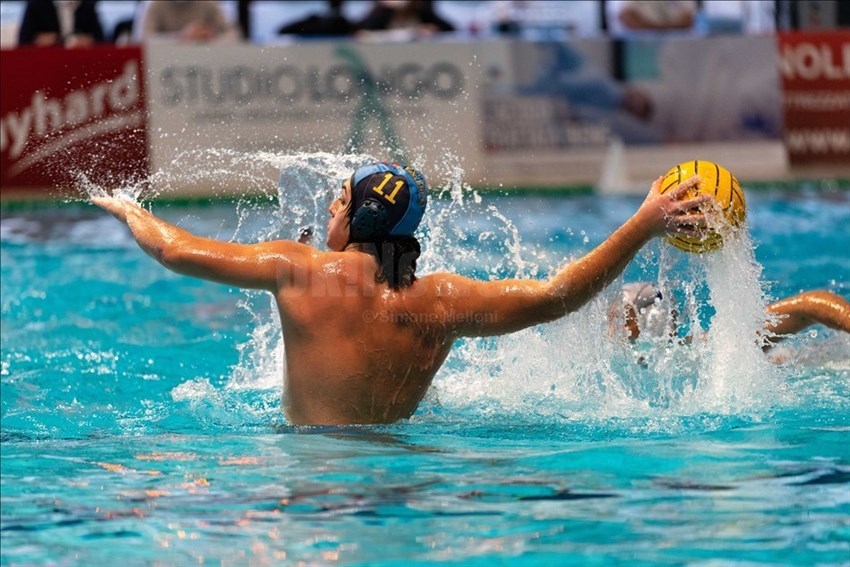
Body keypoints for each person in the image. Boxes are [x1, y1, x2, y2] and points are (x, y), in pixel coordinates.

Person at [93, 163, 709, 426]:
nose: (329, 211)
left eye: (338, 202)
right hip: (403, 474)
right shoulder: (439, 300)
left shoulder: (297, 267)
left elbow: (174, 250)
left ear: (357, 219)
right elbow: (556, 296)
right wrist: (644, 222)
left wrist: (128, 209)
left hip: (307, 478)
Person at [611, 282, 850, 350]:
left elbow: (806, 306)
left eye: (615, 318)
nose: (606, 326)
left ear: (634, 326)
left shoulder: (702, 353)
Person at [133, 0, 240, 43]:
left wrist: (211, 37)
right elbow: (141, 40)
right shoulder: (152, 4)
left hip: (204, 61)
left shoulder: (209, 3)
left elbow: (234, 35)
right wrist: (181, 37)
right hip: (164, 63)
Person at [17, 0, 105, 48]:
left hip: (79, 60)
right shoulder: (36, 5)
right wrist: (37, 40)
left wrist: (88, 40)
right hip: (46, 60)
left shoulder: (88, 6)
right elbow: (23, 41)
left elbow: (101, 40)